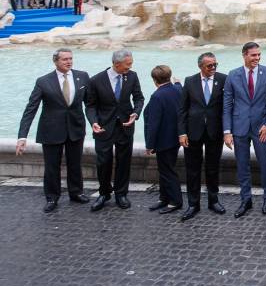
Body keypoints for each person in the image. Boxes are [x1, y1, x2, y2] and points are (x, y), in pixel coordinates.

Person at [15, 48, 91, 212]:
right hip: (50, 130)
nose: (69, 62)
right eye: (65, 59)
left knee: (75, 164)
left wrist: (96, 122)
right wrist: (22, 136)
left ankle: (76, 193)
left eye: (70, 58)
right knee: (52, 166)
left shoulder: (83, 76)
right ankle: (52, 198)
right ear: (56, 61)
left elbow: (90, 104)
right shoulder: (43, 81)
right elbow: (31, 109)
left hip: (75, 128)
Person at [223, 41, 266, 217]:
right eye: (253, 55)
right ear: (245, 55)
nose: (257, 58)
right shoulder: (233, 75)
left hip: (260, 128)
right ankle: (245, 200)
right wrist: (227, 131)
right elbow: (227, 105)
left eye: (259, 55)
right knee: (242, 165)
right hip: (239, 128)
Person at [86, 49, 145, 211]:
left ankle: (121, 194)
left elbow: (139, 98)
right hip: (103, 128)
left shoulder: (132, 76)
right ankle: (104, 193)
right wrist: (93, 122)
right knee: (103, 162)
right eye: (127, 64)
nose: (130, 67)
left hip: (126, 126)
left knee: (124, 162)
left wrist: (136, 112)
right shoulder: (96, 80)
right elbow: (90, 106)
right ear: (116, 64)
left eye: (130, 64)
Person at [178, 52, 227, 221]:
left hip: (215, 131)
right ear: (200, 66)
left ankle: (214, 201)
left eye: (215, 65)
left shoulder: (223, 79)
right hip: (193, 132)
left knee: (213, 168)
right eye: (209, 66)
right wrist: (182, 132)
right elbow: (182, 109)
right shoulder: (189, 81)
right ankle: (193, 204)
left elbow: (227, 107)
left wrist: (228, 131)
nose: (213, 68)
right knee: (192, 170)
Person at [144, 65, 183, 214]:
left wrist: (149, 144)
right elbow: (179, 87)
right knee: (166, 170)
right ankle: (164, 198)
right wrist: (178, 82)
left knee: (167, 171)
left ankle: (175, 201)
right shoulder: (177, 90)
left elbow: (154, 123)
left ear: (154, 80)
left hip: (163, 141)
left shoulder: (157, 96)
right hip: (175, 138)